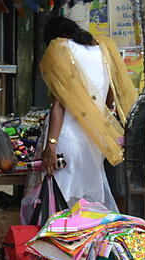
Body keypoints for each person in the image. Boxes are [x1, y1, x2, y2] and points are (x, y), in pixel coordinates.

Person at [39, 17, 138, 212]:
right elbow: (111, 96)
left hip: (66, 136)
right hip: (94, 138)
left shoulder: (61, 49)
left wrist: (51, 145)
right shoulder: (103, 48)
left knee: (60, 198)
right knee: (90, 201)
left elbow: (59, 104)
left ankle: (62, 240)